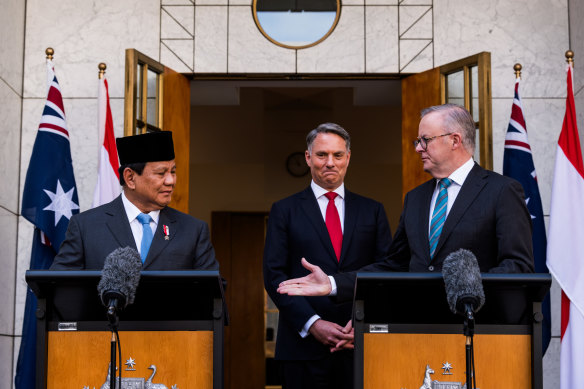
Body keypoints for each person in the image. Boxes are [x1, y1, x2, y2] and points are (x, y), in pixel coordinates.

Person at [278, 104, 534, 304]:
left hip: (477, 333)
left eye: (425, 140)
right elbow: (394, 265)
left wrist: (468, 297)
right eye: (418, 141)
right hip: (416, 329)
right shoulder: (416, 198)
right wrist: (333, 284)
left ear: (454, 140)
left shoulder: (501, 191)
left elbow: (517, 266)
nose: (418, 148)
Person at [263, 123, 392, 389]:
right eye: (322, 155)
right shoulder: (284, 210)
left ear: (348, 157)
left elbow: (385, 273)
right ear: (308, 158)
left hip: (359, 342)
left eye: (337, 154)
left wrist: (360, 324)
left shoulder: (373, 211)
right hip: (302, 348)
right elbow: (274, 275)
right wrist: (313, 324)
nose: (330, 162)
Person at [51, 131, 219, 270]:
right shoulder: (86, 227)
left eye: (172, 172)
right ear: (130, 178)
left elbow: (213, 294)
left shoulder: (193, 230)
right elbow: (60, 287)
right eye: (161, 173)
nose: (171, 181)